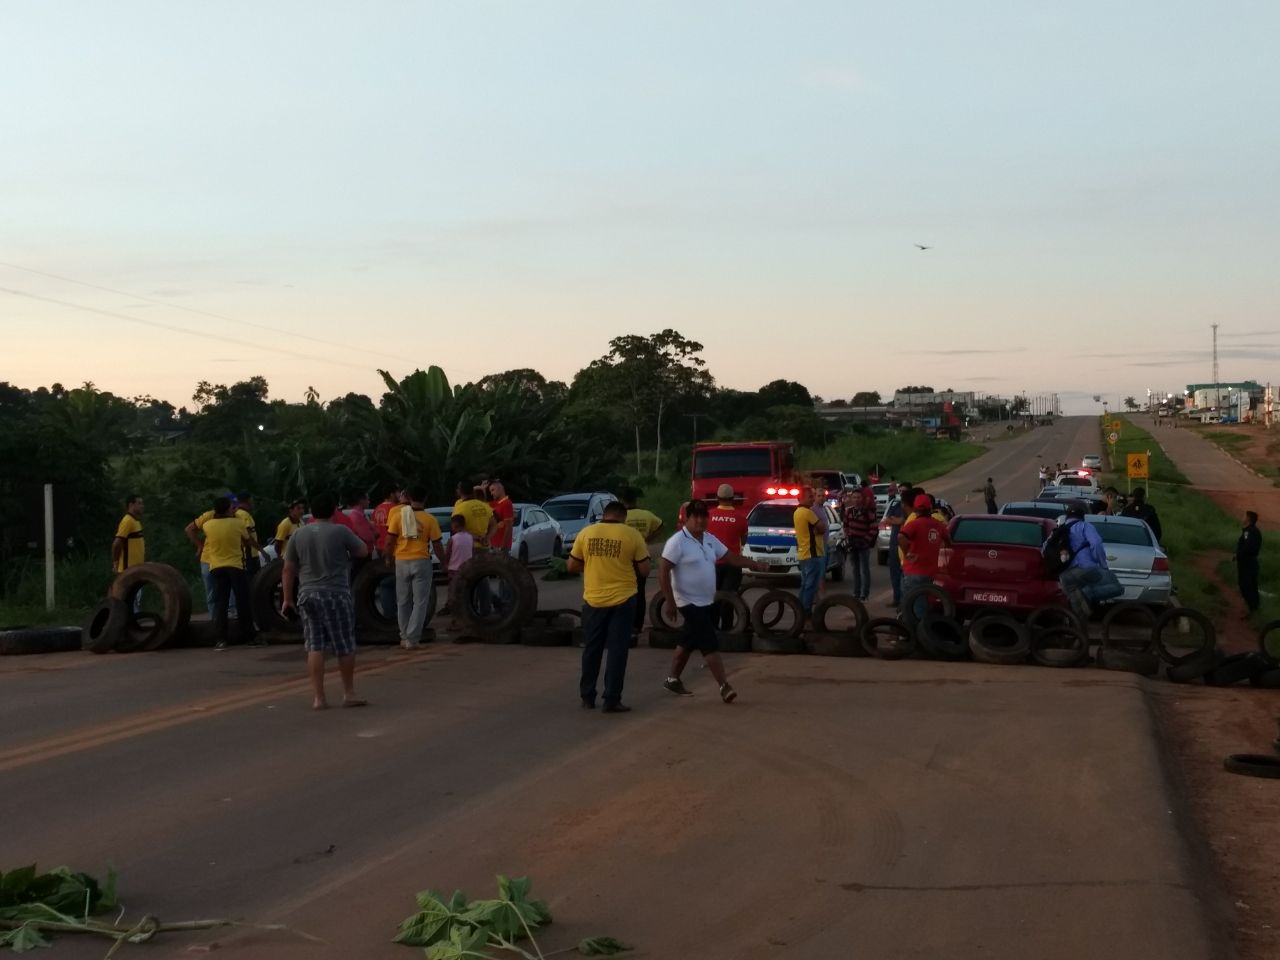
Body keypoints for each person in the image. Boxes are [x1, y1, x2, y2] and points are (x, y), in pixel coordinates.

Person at [659, 500, 766, 703]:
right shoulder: (677, 542)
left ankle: (673, 678)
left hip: (706, 600)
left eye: (703, 517)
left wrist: (755, 564)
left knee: (688, 640)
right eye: (695, 517)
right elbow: (663, 569)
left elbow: (731, 558)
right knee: (709, 641)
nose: (700, 521)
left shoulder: (709, 539)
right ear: (687, 519)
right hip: (687, 601)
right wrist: (670, 601)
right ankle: (724, 686)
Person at [280, 492, 370, 710]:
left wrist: (287, 599)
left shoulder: (299, 535)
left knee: (314, 646)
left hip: (307, 594)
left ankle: (319, 698)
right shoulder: (340, 531)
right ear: (333, 512)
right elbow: (363, 551)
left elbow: (288, 569)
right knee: (344, 645)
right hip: (336, 593)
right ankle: (348, 693)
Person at [567, 501, 650, 713]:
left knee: (592, 649)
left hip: (593, 600)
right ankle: (611, 699)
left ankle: (587, 696)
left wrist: (593, 563)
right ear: (623, 517)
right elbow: (645, 570)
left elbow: (572, 566)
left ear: (604, 515)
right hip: (624, 600)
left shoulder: (586, 533)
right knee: (617, 651)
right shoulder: (632, 535)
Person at [384, 486, 445, 649]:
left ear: (409, 497)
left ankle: (404, 636)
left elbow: (389, 541)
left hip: (402, 561)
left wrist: (388, 558)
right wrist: (444, 562)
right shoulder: (430, 519)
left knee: (402, 601)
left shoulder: (398, 516)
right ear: (426, 498)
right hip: (421, 561)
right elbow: (438, 545)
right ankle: (413, 638)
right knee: (420, 602)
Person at [202, 496, 259, 650]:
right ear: (228, 509)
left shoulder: (207, 525)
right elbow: (247, 541)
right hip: (235, 566)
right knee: (242, 602)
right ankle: (250, 637)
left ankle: (221, 640)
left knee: (221, 604)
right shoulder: (238, 523)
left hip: (216, 567)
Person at [1055, 501, 1123, 621]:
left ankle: (1076, 632)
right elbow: (1096, 544)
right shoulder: (1085, 526)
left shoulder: (1060, 529)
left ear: (1067, 516)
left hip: (1065, 574)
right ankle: (1087, 593)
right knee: (1117, 587)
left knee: (1079, 612)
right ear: (1083, 516)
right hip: (1085, 569)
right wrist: (1102, 565)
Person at [898, 494, 951, 620]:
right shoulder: (938, 525)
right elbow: (949, 540)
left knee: (911, 608)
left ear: (915, 509)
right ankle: (925, 632)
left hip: (913, 573)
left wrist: (907, 553)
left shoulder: (914, 524)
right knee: (924, 605)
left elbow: (900, 537)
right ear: (930, 508)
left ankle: (914, 635)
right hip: (931, 574)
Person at [621, 488, 665, 636]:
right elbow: (660, 526)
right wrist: (648, 539)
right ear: (636, 500)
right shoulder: (647, 515)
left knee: (624, 591)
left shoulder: (621, 516)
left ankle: (625, 623)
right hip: (642, 557)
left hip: (624, 558)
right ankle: (638, 625)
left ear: (621, 501)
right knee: (640, 592)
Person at [708, 483, 748, 630]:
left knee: (712, 598)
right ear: (733, 498)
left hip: (711, 564)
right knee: (728, 599)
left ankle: (711, 628)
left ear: (717, 498)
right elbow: (744, 541)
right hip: (733, 564)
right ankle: (727, 631)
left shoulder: (709, 515)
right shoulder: (741, 518)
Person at [793, 486, 826, 620]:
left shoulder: (797, 512)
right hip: (811, 554)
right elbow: (822, 527)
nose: (813, 499)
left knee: (805, 584)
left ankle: (799, 609)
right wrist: (819, 529)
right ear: (801, 498)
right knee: (810, 586)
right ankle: (806, 612)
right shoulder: (808, 513)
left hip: (803, 554)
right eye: (810, 497)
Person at [841, 487, 876, 602]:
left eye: (858, 497)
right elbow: (845, 525)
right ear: (851, 498)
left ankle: (865, 594)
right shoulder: (849, 511)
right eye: (854, 497)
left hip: (863, 545)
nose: (856, 500)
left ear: (863, 499)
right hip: (852, 544)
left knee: (865, 570)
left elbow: (873, 528)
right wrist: (847, 536)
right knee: (855, 569)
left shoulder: (867, 512)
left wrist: (866, 540)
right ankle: (856, 593)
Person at [883, 481, 913, 608]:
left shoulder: (911, 506)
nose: (901, 493)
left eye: (904, 491)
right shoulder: (895, 504)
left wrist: (898, 520)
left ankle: (905, 600)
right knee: (894, 571)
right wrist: (899, 521)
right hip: (894, 542)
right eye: (899, 491)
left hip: (906, 542)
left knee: (906, 573)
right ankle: (897, 598)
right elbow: (887, 519)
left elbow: (900, 520)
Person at [1235, 511, 1262, 618]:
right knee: (1251, 585)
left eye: (1244, 515)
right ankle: (1254, 609)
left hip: (1247, 562)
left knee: (1246, 585)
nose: (1242, 517)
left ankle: (1252, 609)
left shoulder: (1249, 531)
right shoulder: (1252, 531)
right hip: (1250, 562)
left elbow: (1248, 547)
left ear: (1248, 519)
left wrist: (1238, 555)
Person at [111, 494, 145, 574]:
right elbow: (116, 544)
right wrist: (116, 563)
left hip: (136, 570)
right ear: (131, 505)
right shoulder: (127, 521)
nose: (142, 506)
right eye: (139, 503)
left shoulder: (136, 521)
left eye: (142, 503)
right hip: (127, 572)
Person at [235, 493, 262, 575]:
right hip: (249, 554)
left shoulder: (239, 513)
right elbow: (248, 536)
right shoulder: (244, 515)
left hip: (247, 554)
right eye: (251, 499)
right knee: (255, 580)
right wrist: (262, 551)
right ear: (248, 500)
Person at [487, 479, 516, 556]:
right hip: (493, 546)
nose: (491, 493)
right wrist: (481, 488)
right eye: (490, 491)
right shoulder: (494, 504)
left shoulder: (507, 503)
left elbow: (508, 527)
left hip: (500, 547)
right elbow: (480, 501)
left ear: (500, 489)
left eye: (493, 490)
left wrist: (503, 546)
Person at [445, 514, 475, 588]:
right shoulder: (470, 537)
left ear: (454, 525)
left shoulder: (452, 539)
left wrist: (445, 564)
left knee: (454, 589)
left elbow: (447, 553)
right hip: (467, 568)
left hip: (454, 569)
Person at [372, 485, 401, 558]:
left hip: (379, 547)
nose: (399, 495)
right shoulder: (395, 509)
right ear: (392, 494)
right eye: (398, 492)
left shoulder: (377, 509)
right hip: (392, 548)